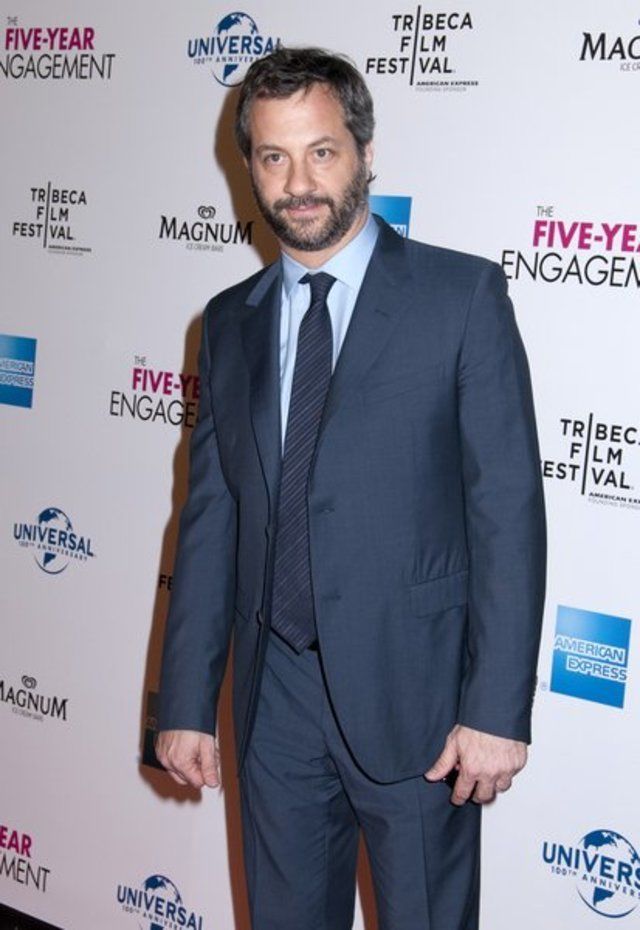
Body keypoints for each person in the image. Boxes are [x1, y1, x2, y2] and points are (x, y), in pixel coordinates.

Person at [155, 46, 546, 930]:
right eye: (274, 156)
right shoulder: (229, 321)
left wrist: (496, 709)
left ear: (366, 153)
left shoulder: (461, 297)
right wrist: (186, 702)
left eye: (321, 151)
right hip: (274, 705)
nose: (298, 183)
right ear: (249, 166)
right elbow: (211, 520)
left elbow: (507, 514)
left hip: (421, 706)